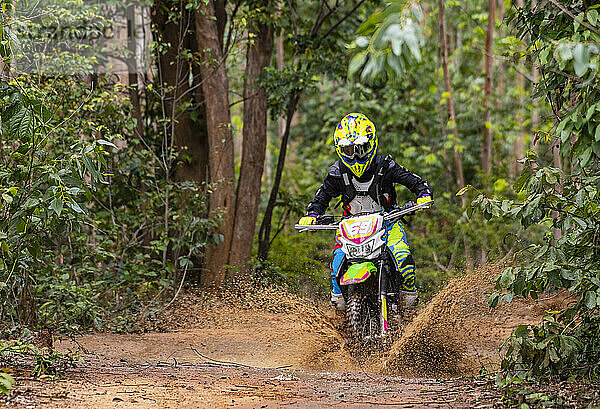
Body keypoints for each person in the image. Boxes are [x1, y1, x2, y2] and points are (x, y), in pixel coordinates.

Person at [298, 113, 433, 312]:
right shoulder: (337, 173)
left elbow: (414, 181)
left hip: (388, 223)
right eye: (348, 150)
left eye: (360, 149)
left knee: (403, 259)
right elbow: (322, 197)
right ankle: (341, 316)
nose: (354, 155)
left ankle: (409, 303)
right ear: (340, 149)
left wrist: (423, 194)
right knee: (336, 266)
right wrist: (312, 214)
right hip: (349, 229)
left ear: (371, 144)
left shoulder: (385, 166)